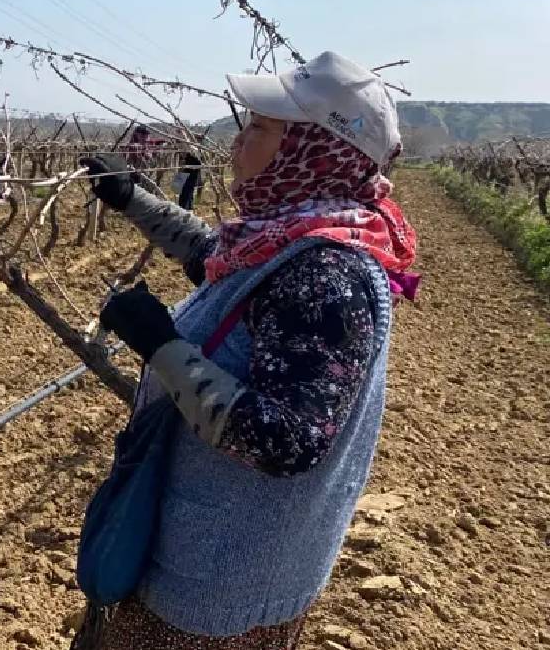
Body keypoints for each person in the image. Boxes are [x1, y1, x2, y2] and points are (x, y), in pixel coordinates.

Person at [76, 51, 419, 649]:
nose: (238, 143)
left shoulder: (327, 277)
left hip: (218, 588)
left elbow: (283, 439)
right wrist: (134, 199)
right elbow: (217, 261)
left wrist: (161, 345)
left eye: (260, 128)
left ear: (312, 149)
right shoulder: (293, 238)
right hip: (210, 552)